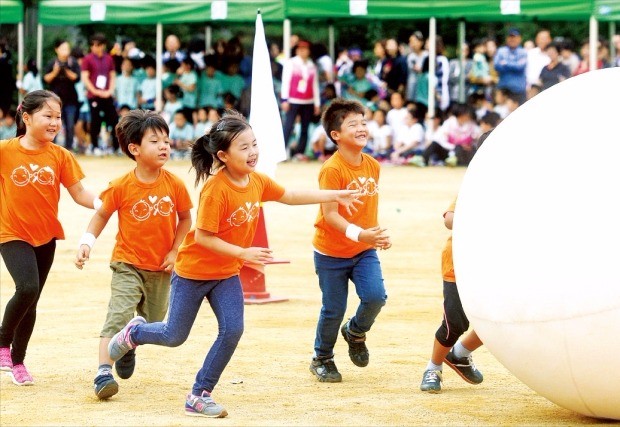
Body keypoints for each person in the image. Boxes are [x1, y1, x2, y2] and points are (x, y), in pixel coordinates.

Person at [107, 110, 362, 418]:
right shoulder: (216, 189)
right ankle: (133, 334)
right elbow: (203, 237)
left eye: (254, 144)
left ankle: (199, 394)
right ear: (223, 155)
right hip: (193, 274)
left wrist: (336, 194)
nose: (253, 152)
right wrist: (244, 253)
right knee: (174, 336)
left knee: (232, 331)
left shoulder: (256, 181)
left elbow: (291, 195)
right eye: (244, 147)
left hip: (226, 274)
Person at [74, 109, 192, 400]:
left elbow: (186, 219)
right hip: (126, 263)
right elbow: (101, 215)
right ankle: (103, 372)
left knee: (156, 318)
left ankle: (129, 340)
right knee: (117, 315)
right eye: (155, 140)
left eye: (166, 139)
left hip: (161, 268)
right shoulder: (121, 186)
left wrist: (175, 250)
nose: (164, 145)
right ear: (134, 149)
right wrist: (87, 241)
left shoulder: (175, 184)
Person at [0, 90, 99, 385]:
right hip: (11, 233)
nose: (55, 122)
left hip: (45, 237)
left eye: (58, 117)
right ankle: (2, 342)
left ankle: (18, 362)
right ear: (27, 118)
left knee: (32, 301)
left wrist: (105, 203)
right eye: (48, 116)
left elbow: (80, 193)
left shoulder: (60, 155)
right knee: (27, 287)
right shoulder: (5, 151)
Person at [309, 99, 391, 383]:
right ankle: (322, 358)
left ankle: (355, 332)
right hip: (331, 253)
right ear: (336, 135)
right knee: (333, 308)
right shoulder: (332, 169)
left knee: (375, 296)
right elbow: (330, 215)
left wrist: (374, 236)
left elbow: (368, 209)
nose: (361, 128)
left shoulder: (373, 165)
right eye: (353, 124)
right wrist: (360, 233)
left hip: (363, 249)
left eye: (363, 122)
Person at [419, 130, 493, 393]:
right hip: (459, 265)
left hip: (492, 267)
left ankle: (460, 355)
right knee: (455, 323)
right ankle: (433, 368)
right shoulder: (476, 185)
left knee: (499, 321)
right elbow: (449, 219)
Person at [281, 40, 321, 161]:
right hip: (293, 99)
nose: (303, 51)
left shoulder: (312, 65)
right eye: (300, 49)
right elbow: (286, 81)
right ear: (297, 50)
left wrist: (317, 103)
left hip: (308, 100)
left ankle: (300, 152)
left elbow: (315, 85)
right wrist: (284, 99)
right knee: (288, 125)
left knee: (305, 127)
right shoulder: (291, 63)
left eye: (305, 49)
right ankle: (282, 151)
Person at [81, 33, 119, 156]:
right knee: (95, 121)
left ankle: (116, 146)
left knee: (113, 120)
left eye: (98, 45)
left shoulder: (109, 58)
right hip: (94, 95)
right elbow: (85, 78)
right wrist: (94, 90)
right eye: (93, 45)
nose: (95, 47)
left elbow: (112, 75)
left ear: (103, 45)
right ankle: (94, 146)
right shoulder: (87, 59)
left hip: (107, 94)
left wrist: (110, 90)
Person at [43, 39, 81, 151]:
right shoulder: (52, 63)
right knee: (52, 124)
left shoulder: (72, 62)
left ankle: (68, 148)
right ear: (56, 50)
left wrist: (66, 70)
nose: (66, 51)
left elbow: (77, 78)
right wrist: (55, 71)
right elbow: (45, 79)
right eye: (63, 48)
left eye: (67, 49)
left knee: (70, 125)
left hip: (70, 100)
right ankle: (51, 148)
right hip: (54, 101)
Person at [494, 28, 527, 105]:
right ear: (507, 38)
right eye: (510, 37)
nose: (512, 39)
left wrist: (506, 63)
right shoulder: (501, 51)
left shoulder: (523, 52)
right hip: (503, 89)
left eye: (515, 37)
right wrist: (514, 65)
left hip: (518, 90)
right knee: (502, 114)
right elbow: (497, 66)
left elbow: (520, 67)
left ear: (519, 39)